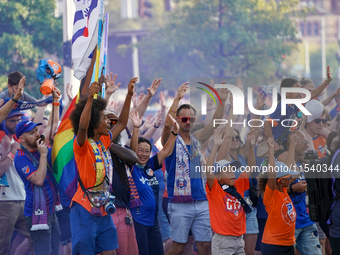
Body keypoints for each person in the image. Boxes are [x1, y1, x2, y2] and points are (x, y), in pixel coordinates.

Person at [69, 78, 136, 255]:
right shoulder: (82, 145)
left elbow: (121, 123)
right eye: (105, 119)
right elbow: (83, 126)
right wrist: (90, 98)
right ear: (93, 122)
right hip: (84, 208)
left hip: (103, 208)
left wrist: (128, 95)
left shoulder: (103, 142)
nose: (109, 122)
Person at [162, 83, 228, 255]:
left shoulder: (196, 138)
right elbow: (167, 126)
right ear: (177, 119)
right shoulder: (170, 140)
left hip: (201, 201)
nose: (188, 122)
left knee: (205, 246)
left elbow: (215, 124)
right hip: (179, 203)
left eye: (191, 119)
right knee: (178, 246)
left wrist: (222, 100)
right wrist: (176, 99)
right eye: (184, 119)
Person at [129, 110, 179, 255]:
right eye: (140, 150)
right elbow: (132, 150)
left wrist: (175, 133)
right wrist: (137, 128)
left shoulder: (150, 165)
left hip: (153, 222)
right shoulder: (131, 167)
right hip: (138, 221)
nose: (143, 154)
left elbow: (165, 152)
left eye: (147, 151)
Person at [14, 106, 62, 255]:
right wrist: (42, 156)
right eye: (31, 133)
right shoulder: (20, 157)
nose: (37, 135)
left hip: (51, 209)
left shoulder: (41, 149)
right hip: (37, 212)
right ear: (21, 138)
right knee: (43, 251)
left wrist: (55, 103)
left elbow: (54, 125)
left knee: (55, 249)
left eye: (36, 131)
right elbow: (39, 180)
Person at [206, 126, 256, 255]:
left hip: (239, 240)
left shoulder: (238, 185)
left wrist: (251, 146)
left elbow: (251, 167)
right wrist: (216, 146)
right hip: (223, 240)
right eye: (227, 171)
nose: (232, 173)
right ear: (218, 177)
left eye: (232, 170)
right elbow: (209, 171)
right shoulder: (215, 189)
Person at [0, 79, 32, 255]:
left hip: (23, 200)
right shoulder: (4, 142)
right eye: (12, 120)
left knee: (37, 240)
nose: (16, 123)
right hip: (4, 203)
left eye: (18, 119)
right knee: (2, 247)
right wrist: (12, 153)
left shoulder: (20, 141)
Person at [257, 137, 299, 255]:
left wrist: (292, 146)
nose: (291, 179)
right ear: (279, 180)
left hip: (288, 244)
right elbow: (272, 173)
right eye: (288, 177)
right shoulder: (272, 193)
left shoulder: (283, 189)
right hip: (274, 245)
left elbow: (292, 167)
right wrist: (271, 150)